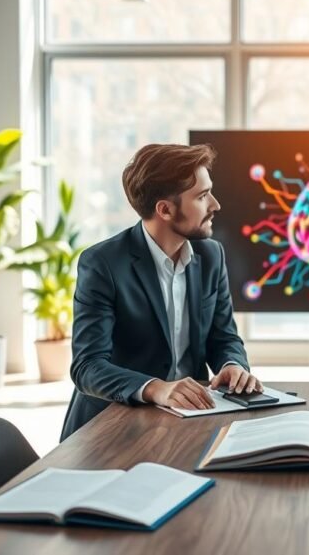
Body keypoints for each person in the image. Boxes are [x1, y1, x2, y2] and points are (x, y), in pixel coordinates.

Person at [60, 143, 262, 440]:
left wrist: (232, 364)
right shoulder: (102, 264)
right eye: (203, 196)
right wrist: (157, 388)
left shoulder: (211, 255)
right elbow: (87, 366)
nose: (215, 205)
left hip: (188, 420)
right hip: (111, 425)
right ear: (165, 209)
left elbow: (223, 336)